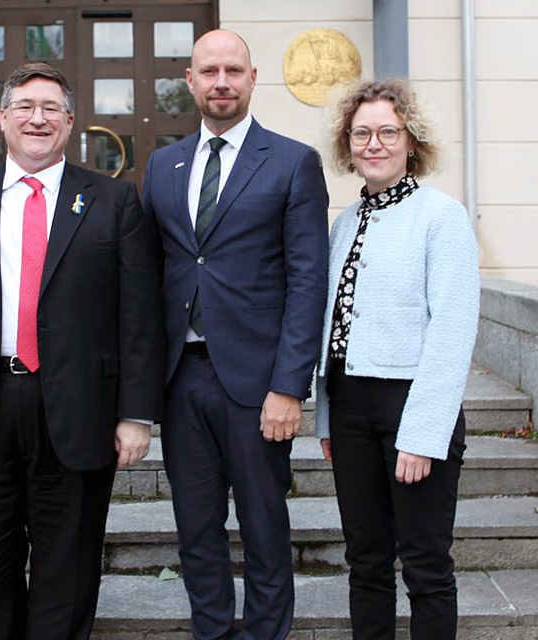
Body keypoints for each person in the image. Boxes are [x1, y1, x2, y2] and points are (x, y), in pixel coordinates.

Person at [0, 62, 164, 640]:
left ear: (70, 122)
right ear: (2, 118)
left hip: (76, 412)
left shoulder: (114, 200)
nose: (37, 118)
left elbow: (138, 315)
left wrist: (136, 414)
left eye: (51, 108)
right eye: (24, 106)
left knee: (67, 570)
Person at [142, 29, 329, 640]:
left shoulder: (292, 161)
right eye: (209, 71)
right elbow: (152, 274)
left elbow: (307, 281)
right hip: (181, 378)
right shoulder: (163, 165)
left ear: (252, 80)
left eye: (234, 71)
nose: (221, 82)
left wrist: (289, 387)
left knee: (264, 529)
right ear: (189, 82)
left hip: (256, 384)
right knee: (195, 530)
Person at [315, 78, 479, 640]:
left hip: (412, 407)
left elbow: (453, 330)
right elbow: (333, 330)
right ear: (348, 143)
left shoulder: (442, 216)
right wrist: (326, 418)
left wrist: (423, 434)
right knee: (365, 562)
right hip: (351, 410)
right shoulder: (345, 224)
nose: (374, 143)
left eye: (388, 131)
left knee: (426, 566)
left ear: (412, 142)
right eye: (362, 133)